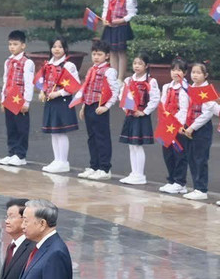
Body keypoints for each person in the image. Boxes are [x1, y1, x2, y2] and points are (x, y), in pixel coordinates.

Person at [73, 40, 120, 180]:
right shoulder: (91, 69)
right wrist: (83, 106)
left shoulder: (109, 71)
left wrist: (106, 106)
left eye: (99, 54)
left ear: (107, 56)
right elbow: (86, 87)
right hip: (89, 105)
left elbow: (115, 90)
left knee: (102, 138)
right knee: (91, 138)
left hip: (100, 107)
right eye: (94, 54)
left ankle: (105, 168)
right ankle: (94, 166)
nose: (96, 57)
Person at [38, 37, 80, 174]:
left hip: (61, 101)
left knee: (61, 132)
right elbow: (44, 82)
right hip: (50, 101)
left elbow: (74, 85)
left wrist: (59, 93)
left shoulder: (68, 66)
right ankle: (57, 160)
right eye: (54, 46)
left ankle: (63, 161)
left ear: (65, 49)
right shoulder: (48, 65)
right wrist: (42, 92)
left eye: (60, 47)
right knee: (53, 132)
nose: (57, 49)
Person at [118, 53, 160, 186]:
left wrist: (144, 112)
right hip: (131, 114)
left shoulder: (150, 81)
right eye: (135, 63)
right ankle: (134, 172)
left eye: (140, 63)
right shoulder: (128, 80)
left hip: (141, 116)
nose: (137, 66)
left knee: (138, 145)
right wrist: (127, 109)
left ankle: (140, 174)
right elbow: (122, 96)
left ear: (146, 66)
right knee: (131, 145)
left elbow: (155, 99)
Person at [0, 31, 34, 167]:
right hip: (9, 99)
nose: (12, 47)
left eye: (15, 44)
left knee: (21, 127)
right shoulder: (8, 61)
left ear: (23, 45)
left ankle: (20, 155)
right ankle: (12, 152)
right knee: (11, 127)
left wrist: (27, 101)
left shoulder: (27, 62)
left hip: (19, 99)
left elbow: (29, 82)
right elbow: (5, 80)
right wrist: (3, 98)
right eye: (10, 44)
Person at [183, 63, 217, 202]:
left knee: (200, 159)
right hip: (189, 126)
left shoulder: (207, 90)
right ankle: (196, 187)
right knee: (191, 157)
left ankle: (202, 189)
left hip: (201, 128)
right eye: (193, 72)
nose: (195, 75)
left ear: (205, 75)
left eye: (198, 73)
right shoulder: (191, 88)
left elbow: (207, 113)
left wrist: (193, 127)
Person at [158, 58, 191, 196]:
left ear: (184, 73)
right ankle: (171, 179)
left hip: (177, 128)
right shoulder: (166, 87)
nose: (175, 72)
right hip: (166, 126)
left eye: (179, 70)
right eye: (173, 69)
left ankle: (179, 182)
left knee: (179, 154)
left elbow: (184, 109)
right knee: (167, 153)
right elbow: (162, 105)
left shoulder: (185, 89)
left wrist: (178, 125)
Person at [100, 0, 137, 80]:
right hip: (110, 27)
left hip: (122, 28)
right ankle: (113, 76)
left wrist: (121, 20)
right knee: (111, 52)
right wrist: (104, 19)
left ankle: (120, 78)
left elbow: (132, 14)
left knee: (121, 52)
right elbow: (105, 9)